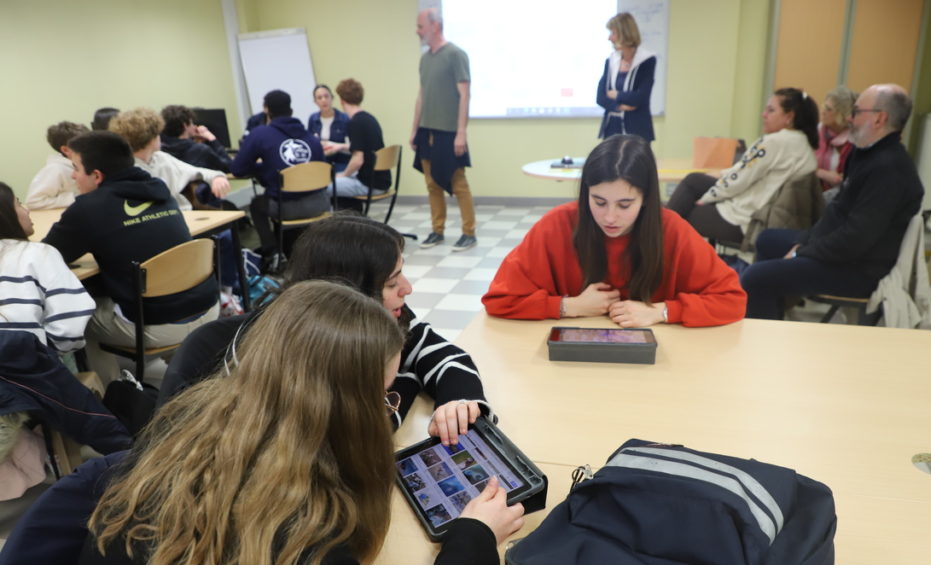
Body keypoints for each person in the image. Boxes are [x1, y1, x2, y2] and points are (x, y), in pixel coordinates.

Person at [72, 281, 525, 565]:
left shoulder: (207, 422)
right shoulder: (285, 517)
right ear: (344, 406)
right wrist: (476, 537)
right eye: (384, 397)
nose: (386, 412)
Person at [159, 215, 489, 446]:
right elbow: (353, 436)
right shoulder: (274, 358)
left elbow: (442, 355)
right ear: (347, 295)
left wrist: (458, 401)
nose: (408, 288)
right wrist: (408, 381)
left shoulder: (383, 317)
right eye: (391, 282)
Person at [483, 135, 746, 328]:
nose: (610, 217)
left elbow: (732, 300)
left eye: (625, 204)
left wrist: (661, 311)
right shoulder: (557, 224)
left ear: (646, 199)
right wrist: (566, 306)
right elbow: (499, 299)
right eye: (598, 202)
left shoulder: (671, 228)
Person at [42, 131, 219, 383]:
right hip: (206, 307)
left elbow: (49, 255)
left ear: (96, 175)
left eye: (76, 168)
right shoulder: (160, 190)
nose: (72, 175)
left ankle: (116, 396)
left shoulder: (88, 208)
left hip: (160, 325)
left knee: (76, 316)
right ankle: (172, 371)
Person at [740, 84, 924, 320]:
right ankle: (772, 319)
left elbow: (855, 239)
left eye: (857, 112)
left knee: (756, 277)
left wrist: (804, 252)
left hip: (861, 269)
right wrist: (805, 243)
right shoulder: (866, 153)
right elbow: (836, 212)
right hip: (846, 255)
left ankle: (764, 340)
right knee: (767, 239)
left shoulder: (890, 170)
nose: (849, 118)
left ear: (880, 119)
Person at [666, 88, 819, 245]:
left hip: (745, 220)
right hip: (767, 216)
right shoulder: (803, 144)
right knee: (694, 183)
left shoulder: (775, 142)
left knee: (676, 213)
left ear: (789, 117)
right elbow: (745, 171)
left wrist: (706, 198)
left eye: (771, 110)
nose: (763, 115)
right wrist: (718, 176)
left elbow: (740, 180)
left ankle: (655, 245)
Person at [230, 89, 329, 263]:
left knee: (256, 205)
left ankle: (272, 252)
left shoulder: (260, 134)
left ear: (266, 109)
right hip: (320, 204)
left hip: (286, 208)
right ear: (290, 109)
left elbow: (238, 169)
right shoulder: (312, 139)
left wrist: (261, 168)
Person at [411, 7, 477, 251]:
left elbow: (464, 95)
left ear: (434, 26)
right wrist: (414, 128)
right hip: (426, 129)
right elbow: (421, 95)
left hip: (449, 131)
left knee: (458, 183)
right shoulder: (425, 59)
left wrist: (462, 132)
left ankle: (469, 232)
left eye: (420, 27)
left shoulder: (456, 54)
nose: (417, 32)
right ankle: (437, 230)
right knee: (431, 184)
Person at [0, 181, 94, 351]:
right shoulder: (39, 254)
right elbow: (70, 329)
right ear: (5, 216)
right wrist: (47, 355)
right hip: (28, 366)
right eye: (19, 203)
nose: (26, 209)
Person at [109, 108, 230, 212]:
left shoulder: (161, 158)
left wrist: (216, 177)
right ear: (151, 139)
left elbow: (196, 171)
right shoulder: (129, 168)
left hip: (182, 216)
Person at [597, 12, 655, 142]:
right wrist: (620, 106)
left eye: (613, 33)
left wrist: (616, 94)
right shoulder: (611, 61)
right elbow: (600, 97)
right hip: (611, 129)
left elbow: (641, 97)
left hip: (638, 131)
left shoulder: (646, 61)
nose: (609, 38)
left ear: (625, 34)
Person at [332, 78, 392, 201]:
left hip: (370, 184)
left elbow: (358, 160)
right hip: (382, 180)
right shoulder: (369, 118)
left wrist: (343, 175)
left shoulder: (355, 123)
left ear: (342, 100)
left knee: (324, 186)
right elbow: (366, 147)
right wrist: (341, 146)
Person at [24, 121, 90, 210]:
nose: (90, 147)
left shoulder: (85, 163)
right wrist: (75, 197)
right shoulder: (55, 169)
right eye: (84, 145)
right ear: (66, 150)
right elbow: (34, 201)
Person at [159, 105, 232, 174]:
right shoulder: (201, 150)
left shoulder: (160, 151)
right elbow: (230, 167)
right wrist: (212, 139)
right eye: (192, 123)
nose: (194, 126)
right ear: (185, 125)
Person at [815, 86, 856, 191]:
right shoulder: (818, 131)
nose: (823, 111)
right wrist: (823, 174)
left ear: (842, 114)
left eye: (828, 109)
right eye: (824, 106)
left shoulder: (855, 140)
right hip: (815, 193)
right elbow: (802, 167)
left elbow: (853, 178)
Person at [307, 84, 351, 173]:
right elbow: (309, 142)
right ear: (315, 102)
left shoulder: (344, 119)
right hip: (322, 162)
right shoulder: (313, 119)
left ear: (332, 98)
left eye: (326, 96)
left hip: (341, 162)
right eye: (319, 98)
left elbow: (352, 147)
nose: (324, 100)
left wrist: (335, 146)